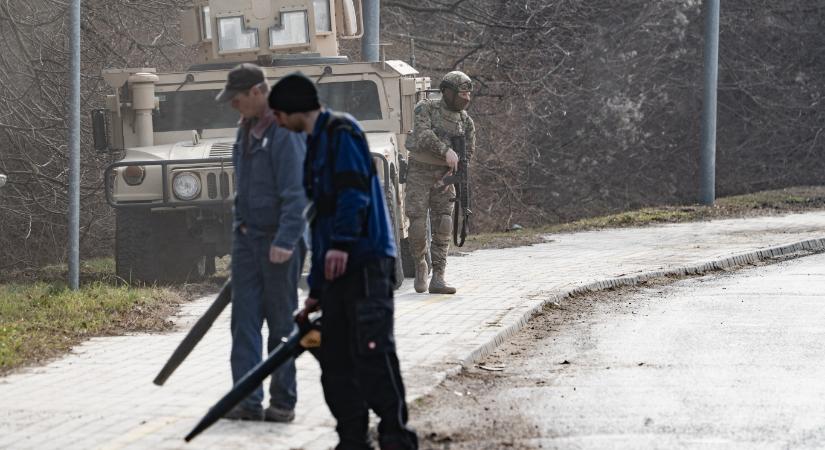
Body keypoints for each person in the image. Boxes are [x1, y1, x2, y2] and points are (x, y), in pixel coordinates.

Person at [269, 73, 418, 450]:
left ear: (291, 110)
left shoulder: (342, 132)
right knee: (333, 359)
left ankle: (395, 437)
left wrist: (342, 244)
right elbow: (320, 220)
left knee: (372, 353)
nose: (277, 122)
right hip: (336, 270)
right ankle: (352, 440)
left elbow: (354, 195)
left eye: (278, 114)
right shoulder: (314, 145)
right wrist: (317, 290)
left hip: (366, 262)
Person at [215, 63, 308, 422]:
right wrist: (239, 227)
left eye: (236, 100)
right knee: (244, 322)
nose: (232, 106)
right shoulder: (247, 128)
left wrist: (286, 240)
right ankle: (247, 401)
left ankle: (283, 403)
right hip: (248, 243)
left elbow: (298, 193)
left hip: (279, 244)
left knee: (282, 326)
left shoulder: (285, 130)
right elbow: (243, 188)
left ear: (257, 92)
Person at [403, 71, 476, 294]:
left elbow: (467, 155)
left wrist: (452, 176)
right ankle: (420, 265)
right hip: (419, 171)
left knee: (444, 223)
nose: (465, 98)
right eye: (461, 93)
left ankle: (439, 275)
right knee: (416, 223)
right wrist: (446, 151)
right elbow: (423, 135)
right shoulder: (426, 108)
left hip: (443, 178)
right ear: (447, 92)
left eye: (468, 93)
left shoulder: (465, 121)